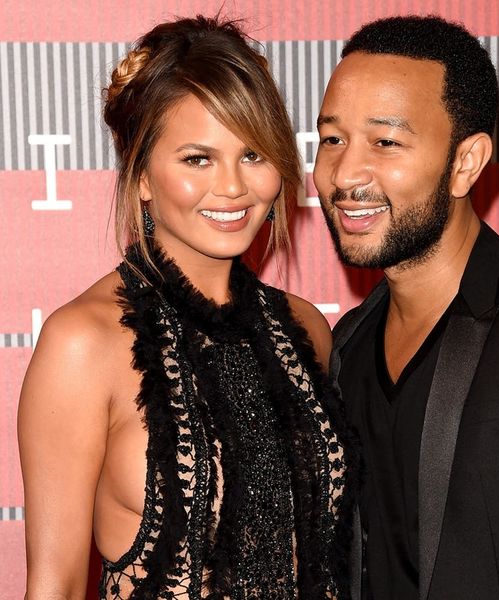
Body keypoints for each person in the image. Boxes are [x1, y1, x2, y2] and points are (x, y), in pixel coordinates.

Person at [18, 15, 356, 600]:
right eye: (198, 158)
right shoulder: (82, 343)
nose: (233, 187)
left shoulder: (305, 329)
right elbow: (57, 586)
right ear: (142, 176)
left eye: (253, 154)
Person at [313, 14, 499, 600]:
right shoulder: (348, 346)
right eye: (332, 139)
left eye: (385, 142)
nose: (344, 173)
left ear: (466, 162)